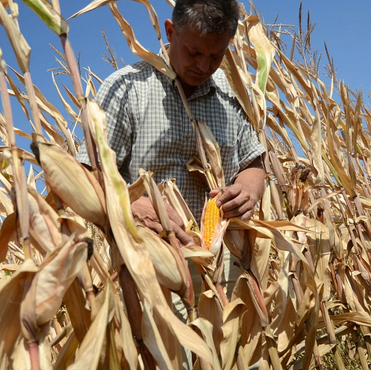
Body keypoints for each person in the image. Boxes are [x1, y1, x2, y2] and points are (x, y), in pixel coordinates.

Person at [77, 0, 266, 246]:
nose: (203, 66)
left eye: (216, 55)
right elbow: (87, 174)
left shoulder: (232, 92)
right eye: (194, 52)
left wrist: (247, 191)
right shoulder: (125, 88)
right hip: (149, 258)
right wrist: (129, 203)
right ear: (170, 31)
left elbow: (254, 164)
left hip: (226, 261)